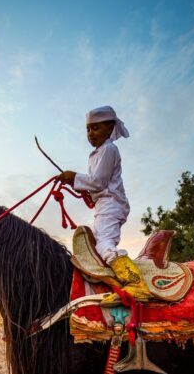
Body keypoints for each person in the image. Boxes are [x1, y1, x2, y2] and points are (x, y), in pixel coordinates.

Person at [57, 105, 150, 302]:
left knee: (104, 245)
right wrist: (82, 186)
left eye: (95, 128)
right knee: (97, 246)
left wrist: (74, 177)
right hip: (104, 205)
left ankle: (135, 284)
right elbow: (96, 183)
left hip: (111, 204)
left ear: (110, 127)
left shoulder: (109, 149)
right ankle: (110, 284)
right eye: (88, 129)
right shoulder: (99, 153)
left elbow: (98, 181)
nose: (90, 133)